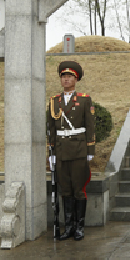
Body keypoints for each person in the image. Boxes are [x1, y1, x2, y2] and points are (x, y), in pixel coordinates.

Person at [47, 61, 95, 241]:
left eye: (69, 76)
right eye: (63, 76)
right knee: (65, 189)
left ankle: (79, 227)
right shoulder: (54, 101)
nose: (66, 79)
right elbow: (51, 128)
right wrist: (51, 152)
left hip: (79, 150)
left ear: (76, 79)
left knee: (79, 189)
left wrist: (90, 149)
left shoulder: (84, 99)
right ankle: (68, 228)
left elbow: (90, 125)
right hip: (61, 150)